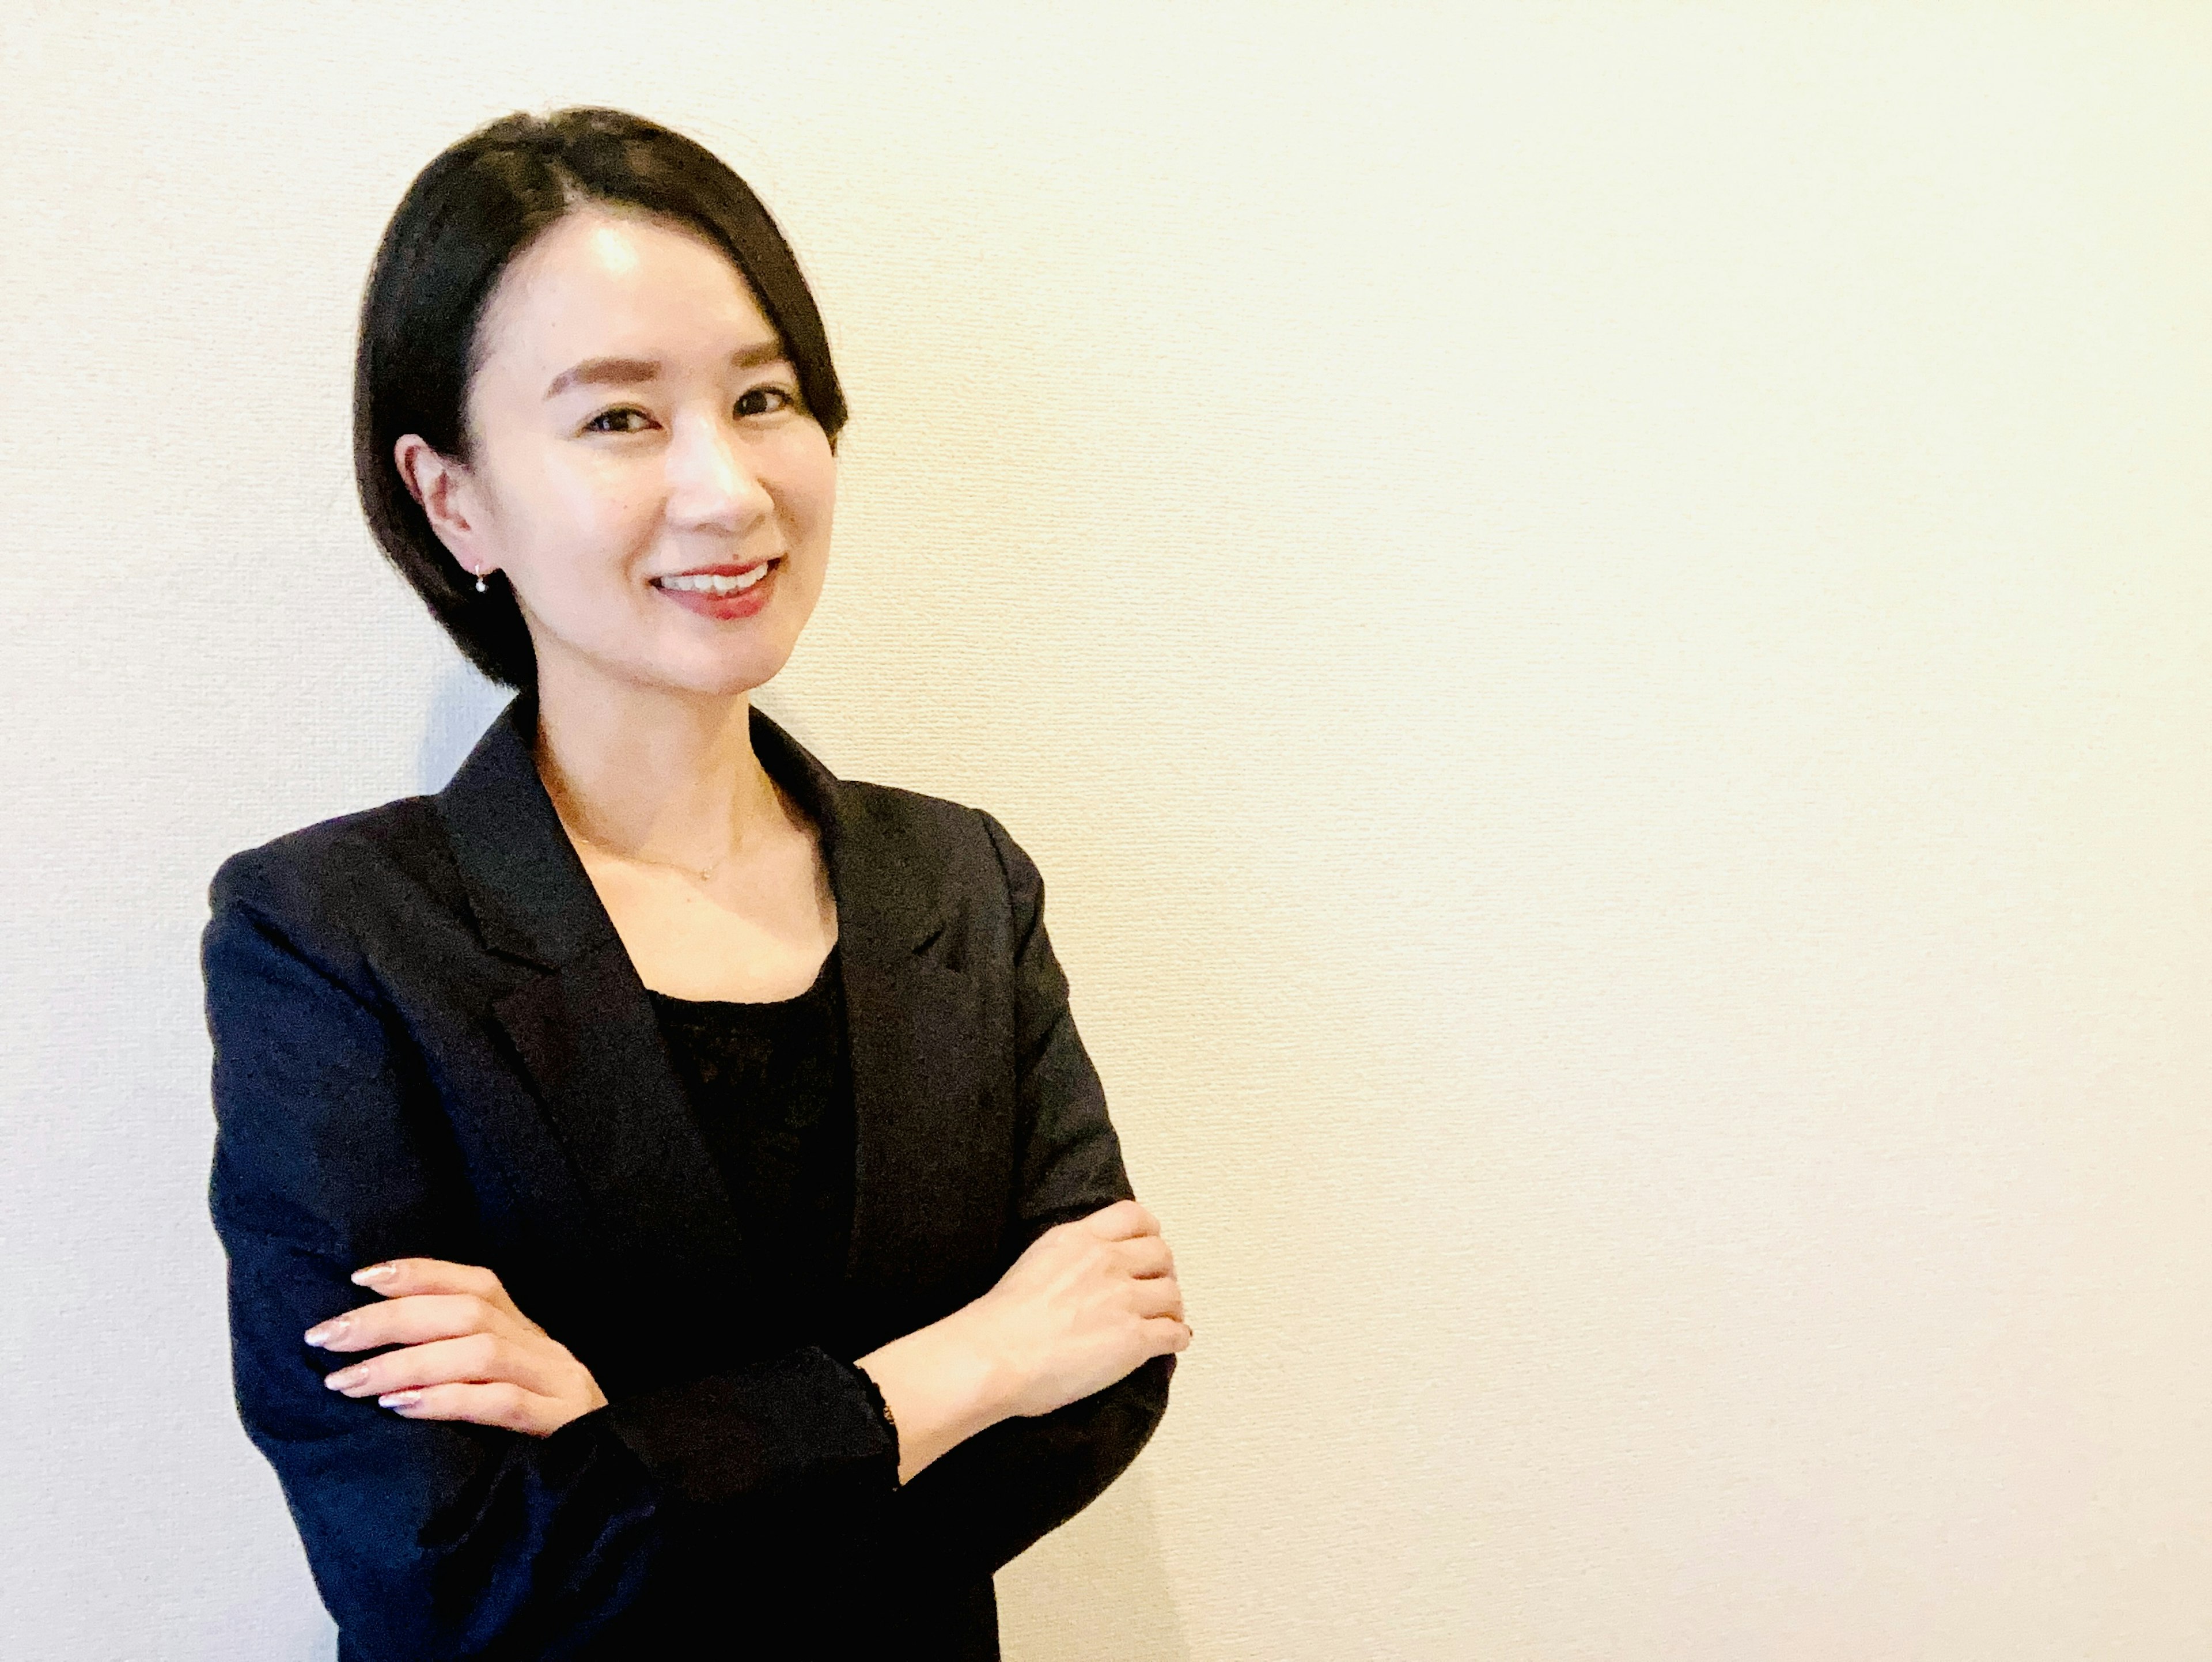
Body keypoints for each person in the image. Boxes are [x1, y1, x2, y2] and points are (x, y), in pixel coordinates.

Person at [201, 106, 1190, 1661]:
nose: (727, 489)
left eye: (763, 396)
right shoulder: (331, 939)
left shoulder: (960, 885)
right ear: (453, 497)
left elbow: (1106, 1368)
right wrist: (962, 1371)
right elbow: (441, 1568)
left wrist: (627, 1446)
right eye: (618, 420)